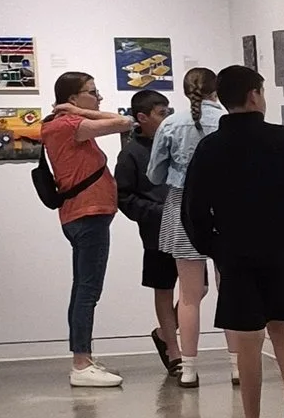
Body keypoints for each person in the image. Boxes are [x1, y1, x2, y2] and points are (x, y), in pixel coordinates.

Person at [178, 62, 284, 418]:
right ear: (254, 95)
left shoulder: (211, 148)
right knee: (283, 328)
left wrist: (214, 247)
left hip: (237, 254)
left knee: (248, 342)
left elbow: (193, 209)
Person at [40, 71, 140, 390]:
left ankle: (83, 357)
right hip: (88, 215)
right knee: (87, 290)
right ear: (73, 99)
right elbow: (125, 122)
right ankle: (81, 363)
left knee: (82, 289)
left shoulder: (60, 124)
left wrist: (82, 109)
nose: (98, 98)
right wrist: (83, 113)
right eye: (92, 92)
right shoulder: (69, 125)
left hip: (82, 216)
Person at [147, 66, 223, 387]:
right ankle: (237, 367)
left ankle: (188, 368)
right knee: (229, 289)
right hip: (224, 209)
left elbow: (154, 174)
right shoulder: (224, 121)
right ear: (215, 90)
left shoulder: (170, 123)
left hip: (182, 207)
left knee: (189, 297)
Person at [115, 86, 179, 373]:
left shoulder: (177, 143)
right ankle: (175, 353)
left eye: (168, 113)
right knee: (164, 288)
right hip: (155, 232)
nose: (166, 119)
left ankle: (165, 333)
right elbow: (124, 197)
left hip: (186, 227)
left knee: (198, 289)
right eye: (160, 113)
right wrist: (156, 212)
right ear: (142, 117)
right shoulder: (130, 153)